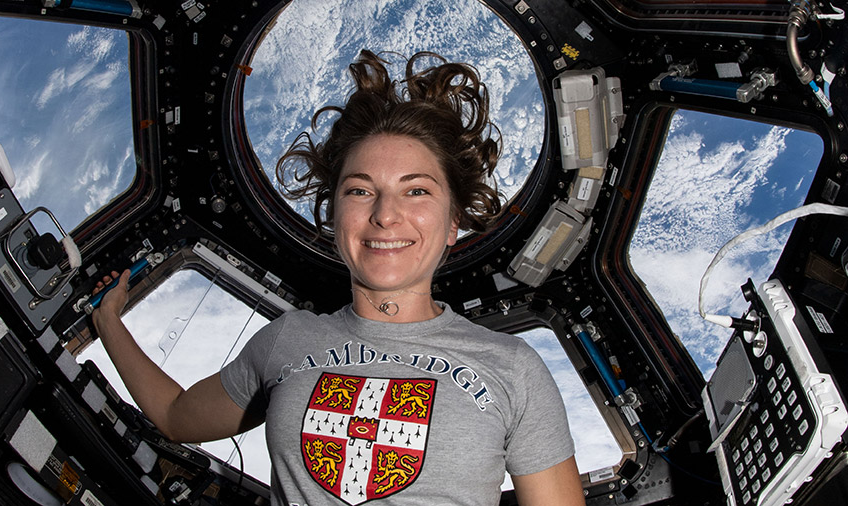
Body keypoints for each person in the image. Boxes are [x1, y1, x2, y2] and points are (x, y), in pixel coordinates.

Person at [91, 50, 584, 505]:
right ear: (334, 218)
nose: (386, 215)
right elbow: (177, 416)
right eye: (359, 191)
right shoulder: (285, 340)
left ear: (453, 222)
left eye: (416, 191)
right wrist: (109, 319)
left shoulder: (514, 370)